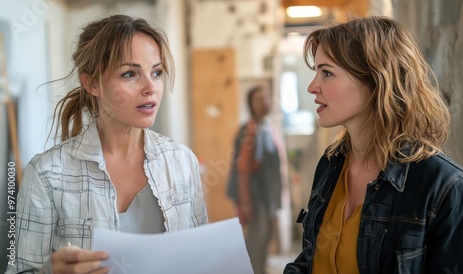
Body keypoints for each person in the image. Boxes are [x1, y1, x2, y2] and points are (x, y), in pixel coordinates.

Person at [284, 16, 463, 273]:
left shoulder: (450, 189)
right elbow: (311, 260)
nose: (312, 87)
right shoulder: (330, 165)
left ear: (375, 80)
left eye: (327, 73)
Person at [6, 14, 207, 274]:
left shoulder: (182, 161)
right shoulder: (46, 174)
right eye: (129, 74)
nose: (151, 88)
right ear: (91, 83)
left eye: (156, 72)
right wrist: (49, 272)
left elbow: (203, 258)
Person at [227, 86, 286, 274]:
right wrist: (245, 203)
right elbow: (243, 169)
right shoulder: (249, 130)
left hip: (269, 196)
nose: (265, 102)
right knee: (256, 241)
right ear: (251, 104)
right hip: (255, 197)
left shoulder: (268, 127)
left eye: (266, 97)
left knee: (266, 238)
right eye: (259, 99)